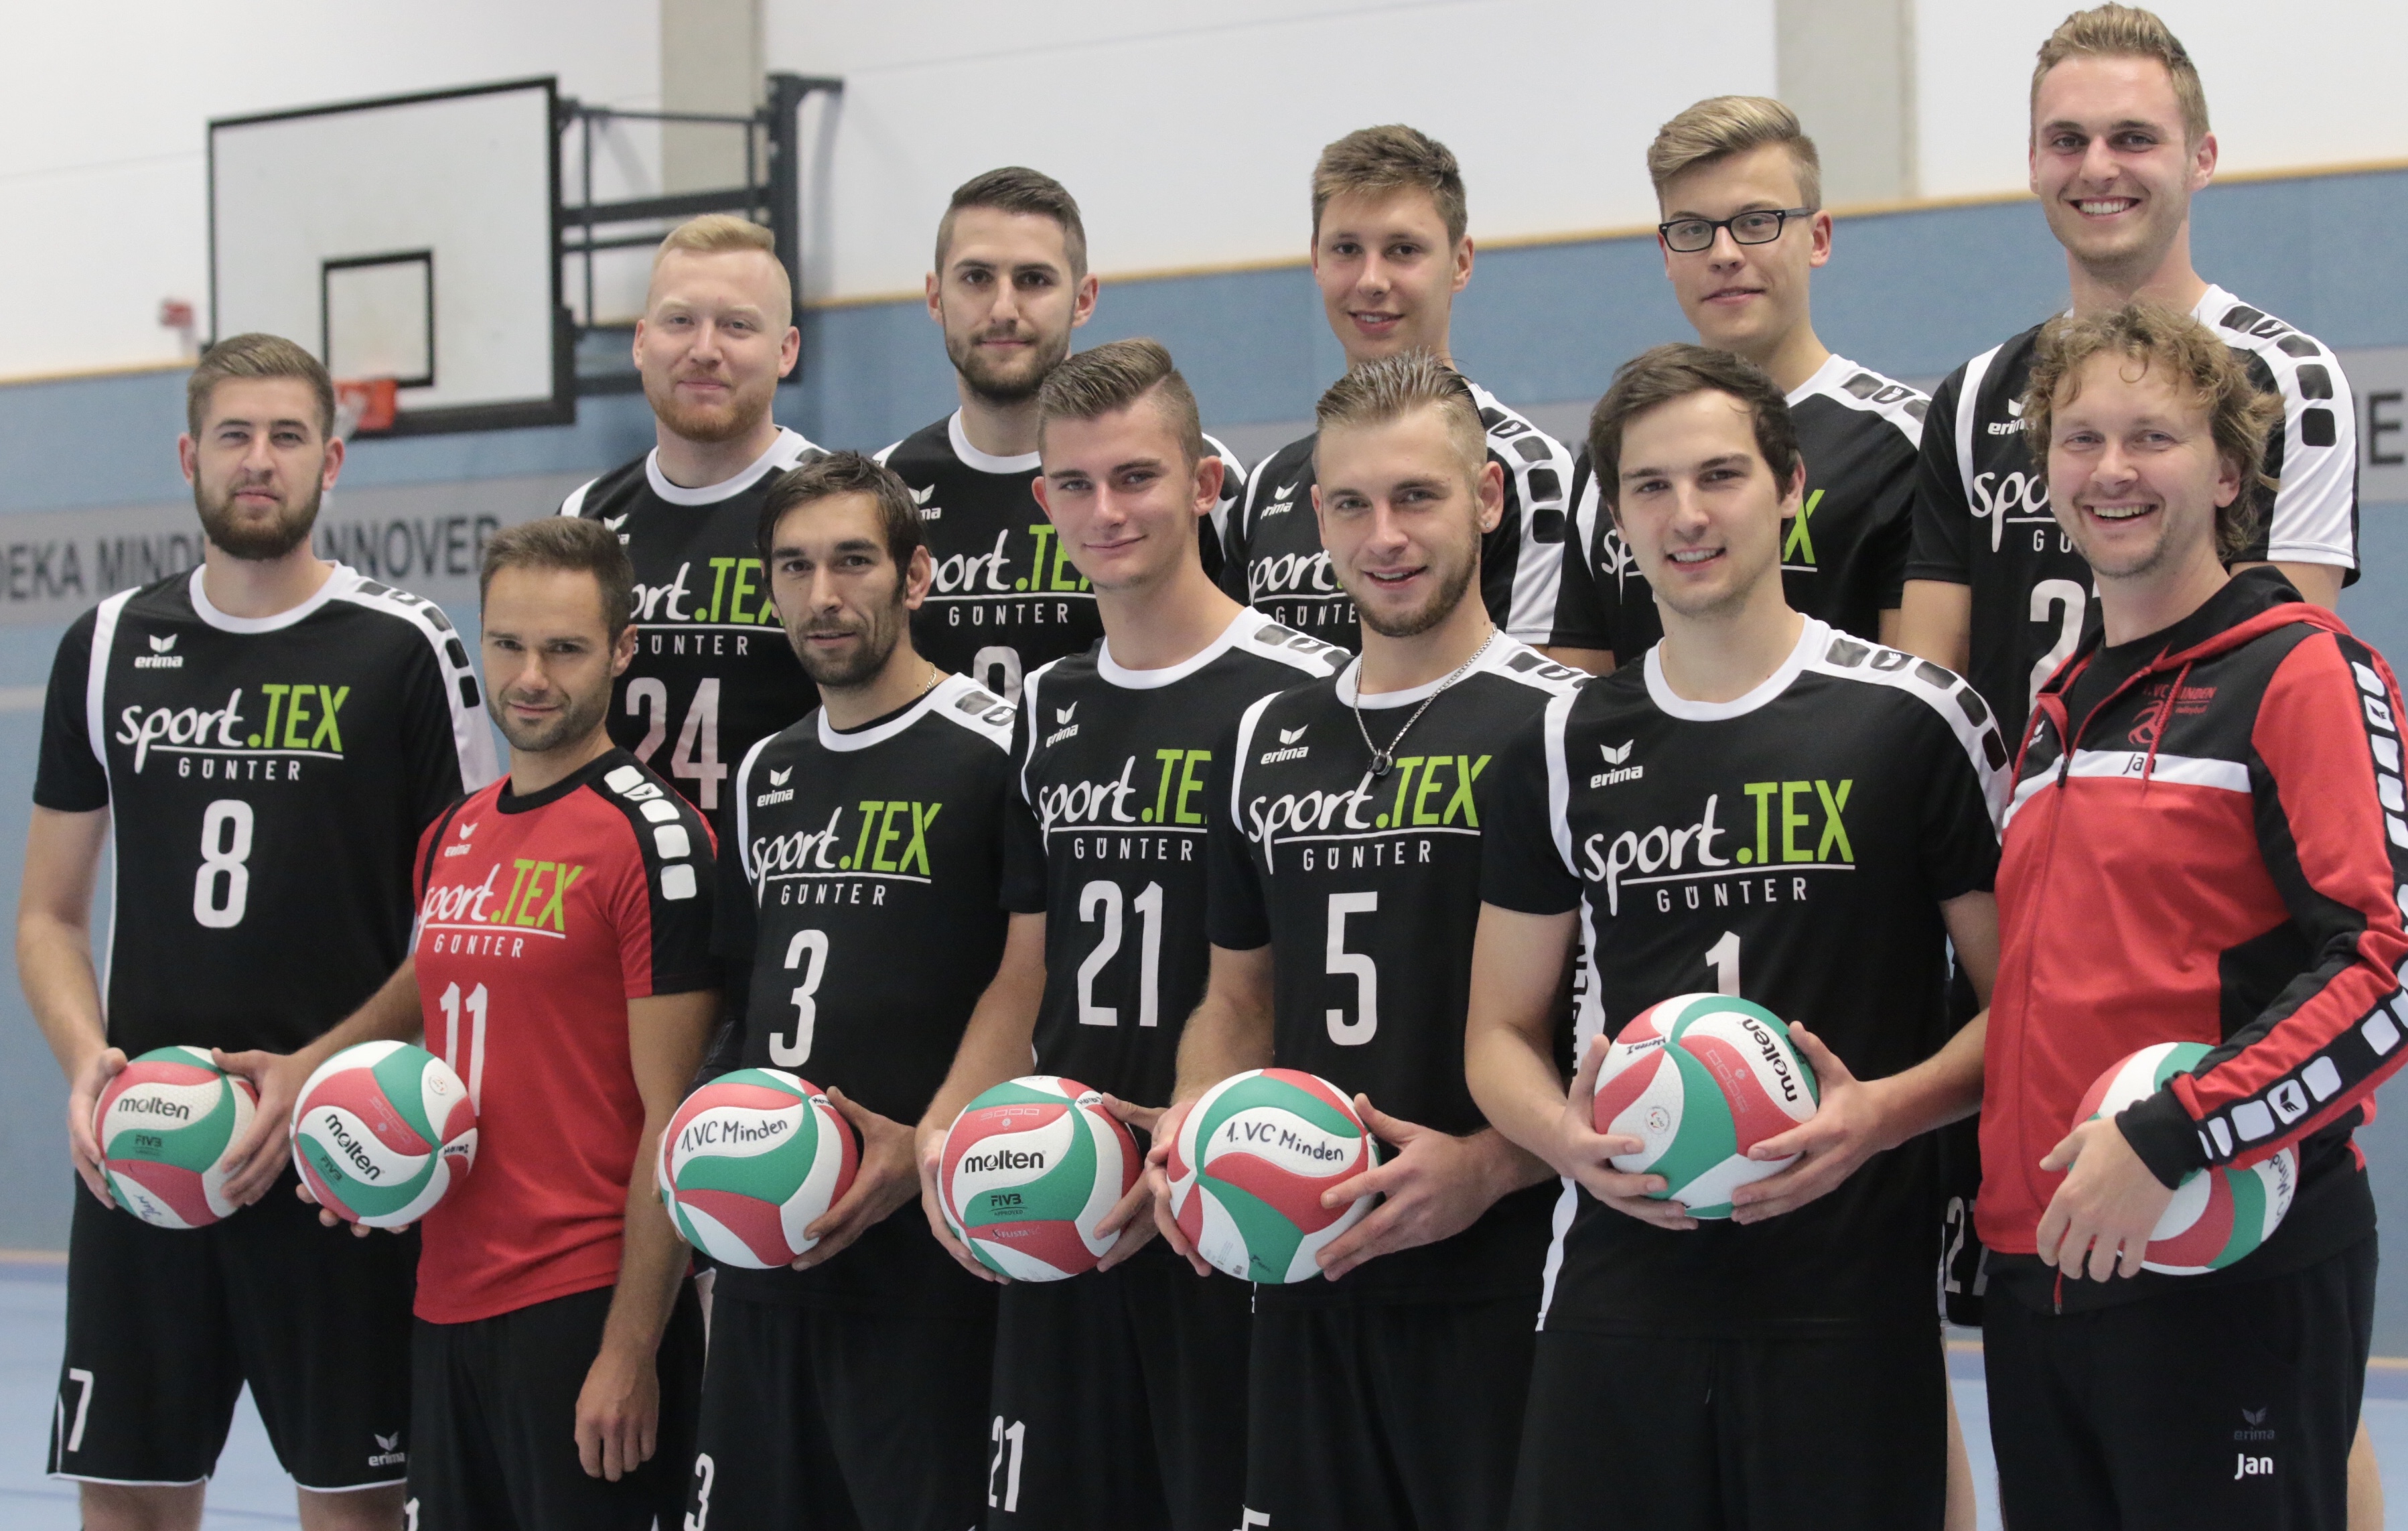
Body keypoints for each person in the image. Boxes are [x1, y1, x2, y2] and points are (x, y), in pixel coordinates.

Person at [1465, 343, 2010, 1530]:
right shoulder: (1556, 744)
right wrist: (1566, 1141)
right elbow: (1497, 1032)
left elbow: (2021, 1010)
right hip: (1619, 1286)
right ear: (1616, 518)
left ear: (1789, 486)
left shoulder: (1913, 718)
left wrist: (1880, 1116)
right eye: (1650, 487)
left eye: (1720, 475)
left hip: (1846, 1290)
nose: (1687, 515)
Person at [18, 333, 495, 1531]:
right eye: (234, 435)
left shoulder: (404, 646)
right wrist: (86, 1064)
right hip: (146, 1148)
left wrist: (317, 1069)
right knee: (127, 1499)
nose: (259, 460)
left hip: (337, 1152)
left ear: (331, 461)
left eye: (287, 436)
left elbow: (469, 919)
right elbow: (48, 913)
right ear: (189, 456)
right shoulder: (108, 644)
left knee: (354, 1505)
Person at [1976, 301, 2406, 1531]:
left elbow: (2386, 968)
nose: (2110, 470)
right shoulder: (2058, 709)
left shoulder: (2299, 668)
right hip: (2043, 1273)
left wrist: (2175, 1134)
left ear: (2226, 473)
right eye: (2079, 439)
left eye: (2151, 438)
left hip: (2222, 1259)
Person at [917, 339, 1347, 1530]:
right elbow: (1025, 967)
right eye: (1077, 483)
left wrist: (1204, 1143)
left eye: (1137, 477)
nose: (1106, 511)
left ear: (1204, 484)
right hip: (1062, 1197)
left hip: (1233, 1205)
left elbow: (1292, 976)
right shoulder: (1047, 703)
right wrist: (945, 1131)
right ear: (1043, 499)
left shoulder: (1307, 692)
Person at [1152, 350, 1586, 1530]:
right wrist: (1192, 1120)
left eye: (1416, 497)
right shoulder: (1264, 737)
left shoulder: (1566, 725)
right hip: (1302, 1276)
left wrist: (1490, 1166)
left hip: (1510, 1276)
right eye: (1351, 504)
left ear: (1486, 498)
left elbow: (1612, 1028)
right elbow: (1237, 1000)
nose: (1383, 537)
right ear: (1315, 516)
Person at [261, 516, 719, 1528]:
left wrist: (629, 1348)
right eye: (507, 643)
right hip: (444, 1298)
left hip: (581, 1306)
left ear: (622, 649)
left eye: (565, 648)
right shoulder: (453, 833)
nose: (530, 677)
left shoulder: (655, 840)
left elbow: (672, 1118)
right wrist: (362, 1153)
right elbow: (447, 1034)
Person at [689, 451, 1038, 1531]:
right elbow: (744, 1001)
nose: (823, 595)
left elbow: (1037, 984)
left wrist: (927, 1143)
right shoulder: (766, 769)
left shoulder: (997, 749)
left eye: (852, 562)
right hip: (767, 1257)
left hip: (929, 1262)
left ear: (915, 577)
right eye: (794, 568)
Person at [1899, 2, 2358, 734]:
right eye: (2067, 141)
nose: (2097, 167)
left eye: (2133, 138)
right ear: (2033, 163)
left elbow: (2277, 681)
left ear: (2200, 158)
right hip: (2012, 806)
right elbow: (1930, 690)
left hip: (2188, 796)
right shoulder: (1975, 394)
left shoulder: (2285, 380)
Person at [1557, 97, 1928, 669]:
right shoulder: (1619, 450)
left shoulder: (1904, 443)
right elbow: (1579, 694)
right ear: (1666, 253)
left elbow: (1917, 692)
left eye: (1756, 223)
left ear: (1818, 238)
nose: (1723, 254)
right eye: (1692, 230)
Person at [1217, 127, 1593, 670]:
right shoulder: (1267, 485)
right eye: (1346, 249)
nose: (1371, 280)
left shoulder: (1527, 473)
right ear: (1316, 260)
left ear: (1460, 262)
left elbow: (1539, 699)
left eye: (1403, 250)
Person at [879, 168, 1249, 704]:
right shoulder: (883, 487)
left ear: (1083, 298)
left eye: (1033, 280)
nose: (1003, 309)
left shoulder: (1188, 472)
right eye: (976, 278)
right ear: (935, 297)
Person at [562, 214, 827, 825]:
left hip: (788, 868)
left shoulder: (840, 508)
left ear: (786, 350)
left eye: (737, 325)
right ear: (640, 341)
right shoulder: (585, 518)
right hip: (625, 874)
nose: (704, 350)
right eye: (679, 321)